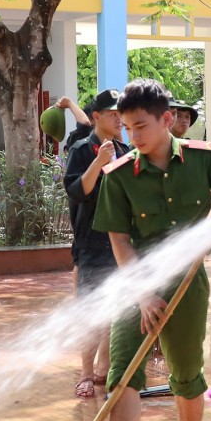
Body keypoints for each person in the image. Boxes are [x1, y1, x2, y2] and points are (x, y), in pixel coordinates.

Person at [72, 79, 211, 421]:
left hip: (188, 284)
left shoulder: (205, 159)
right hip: (136, 284)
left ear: (168, 120)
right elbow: (118, 238)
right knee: (122, 372)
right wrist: (144, 293)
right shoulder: (119, 175)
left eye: (140, 126)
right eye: (127, 128)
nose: (133, 136)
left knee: (187, 374)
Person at [63, 89, 130, 399]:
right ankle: (86, 372)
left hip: (120, 242)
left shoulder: (126, 149)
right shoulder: (81, 149)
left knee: (116, 307)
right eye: (112, 113)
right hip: (91, 243)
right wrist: (99, 162)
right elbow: (77, 191)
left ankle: (106, 367)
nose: (119, 118)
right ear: (96, 118)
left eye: (121, 113)